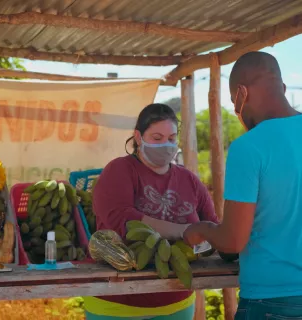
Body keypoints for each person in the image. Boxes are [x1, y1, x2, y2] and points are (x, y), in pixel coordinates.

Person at [183, 51, 302, 319]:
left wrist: (203, 229)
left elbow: (233, 240)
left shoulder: (248, 147)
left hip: (271, 301)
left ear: (241, 94)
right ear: (282, 88)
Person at [83, 103, 219, 320]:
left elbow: (212, 225)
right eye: (157, 138)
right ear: (138, 137)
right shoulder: (119, 170)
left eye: (172, 138)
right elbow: (121, 219)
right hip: (116, 304)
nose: (166, 144)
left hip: (178, 304)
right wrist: (183, 230)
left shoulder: (189, 180)